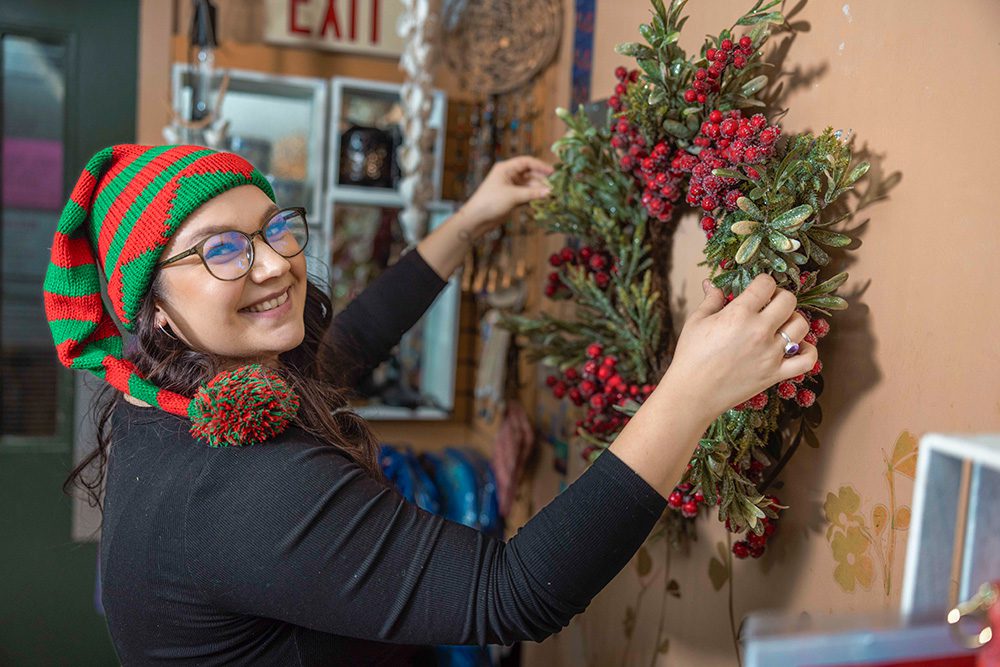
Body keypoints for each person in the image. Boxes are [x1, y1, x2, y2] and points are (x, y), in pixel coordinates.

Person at [48, 144, 815, 665]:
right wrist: (690, 392)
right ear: (149, 307)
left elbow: (338, 345)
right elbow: (507, 594)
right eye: (222, 249)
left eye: (274, 228)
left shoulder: (169, 395)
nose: (277, 262)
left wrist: (470, 222)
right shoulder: (239, 490)